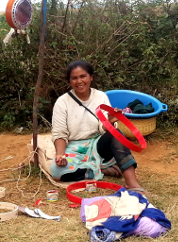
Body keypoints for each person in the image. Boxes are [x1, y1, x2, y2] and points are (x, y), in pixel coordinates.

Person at [50, 60, 146, 193]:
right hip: (75, 148)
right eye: (74, 78)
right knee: (57, 170)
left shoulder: (101, 96)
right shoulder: (62, 102)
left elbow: (103, 127)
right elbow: (60, 133)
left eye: (83, 76)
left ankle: (132, 183)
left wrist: (110, 122)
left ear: (91, 77)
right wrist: (60, 155)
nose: (79, 81)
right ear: (69, 81)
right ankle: (102, 170)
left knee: (116, 133)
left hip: (97, 144)